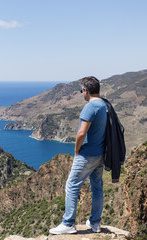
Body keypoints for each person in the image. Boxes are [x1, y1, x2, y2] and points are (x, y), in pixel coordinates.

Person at [49, 76, 107, 235]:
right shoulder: (104, 104)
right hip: (101, 154)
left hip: (87, 155)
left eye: (81, 91)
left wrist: (76, 150)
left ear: (86, 90)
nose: (82, 93)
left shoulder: (90, 107)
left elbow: (81, 133)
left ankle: (68, 223)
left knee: (72, 185)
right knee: (97, 188)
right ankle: (95, 223)